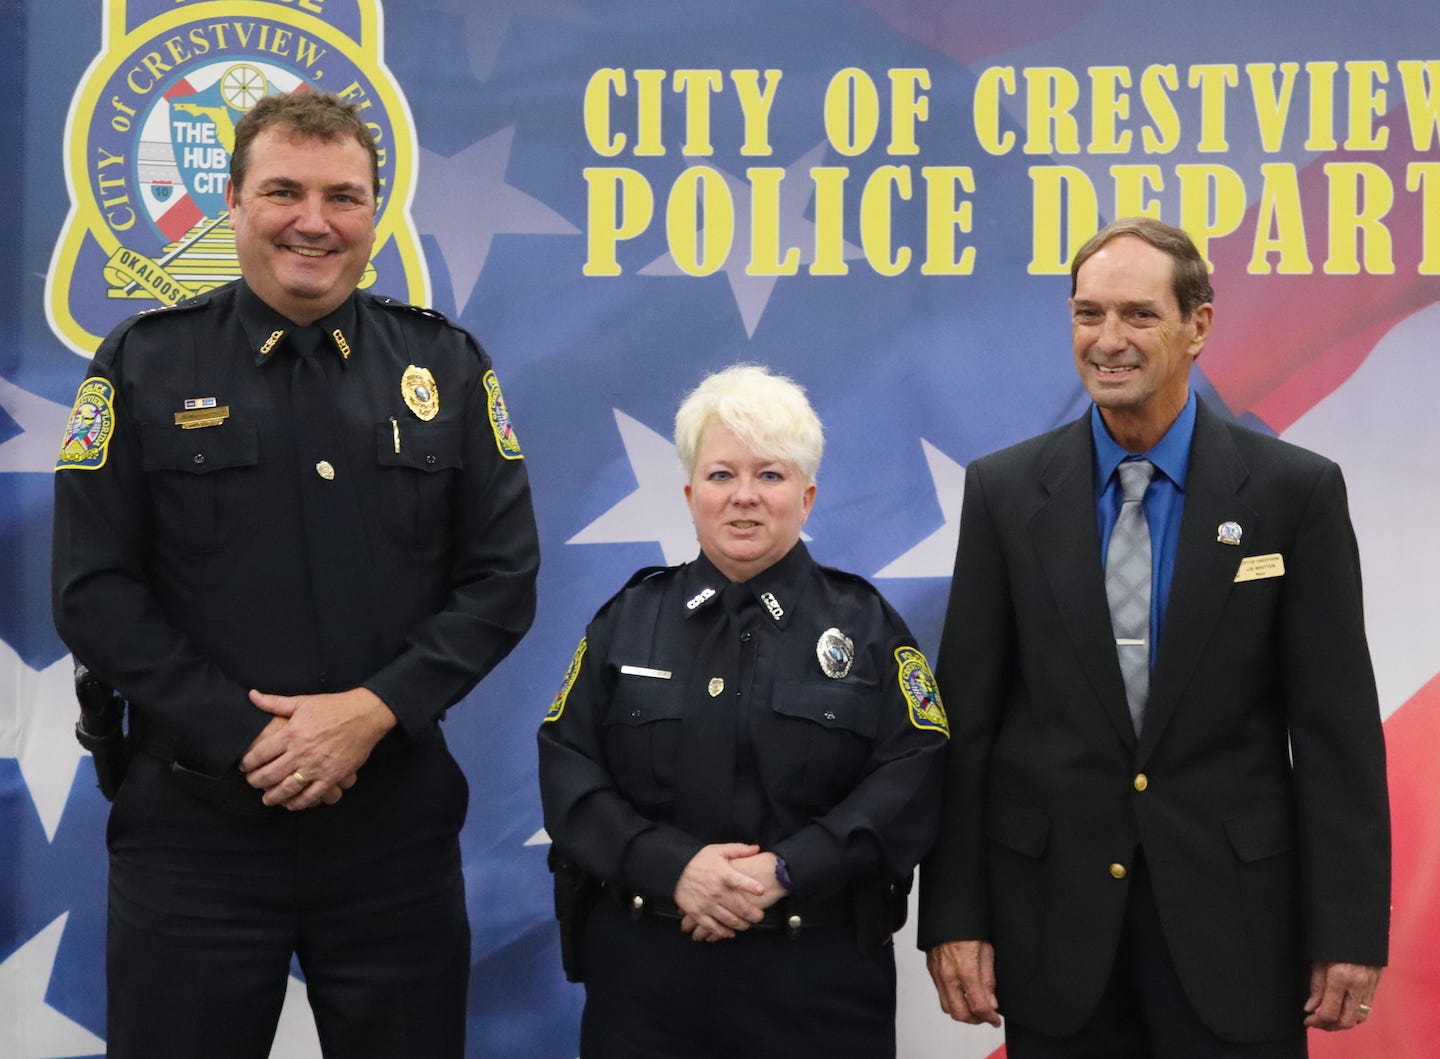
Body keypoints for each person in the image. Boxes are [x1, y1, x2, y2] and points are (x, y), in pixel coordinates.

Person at [51, 91, 540, 1059]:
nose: (313, 221)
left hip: (391, 835)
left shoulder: (443, 366)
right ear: (233, 201)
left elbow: (502, 577)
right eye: (284, 192)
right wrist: (252, 736)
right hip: (194, 834)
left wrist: (367, 713)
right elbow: (92, 590)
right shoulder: (143, 363)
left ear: (373, 215)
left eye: (342, 197)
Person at [918, 217, 1390, 1056]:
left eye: (1138, 314)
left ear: (1197, 325)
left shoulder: (1294, 493)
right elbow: (969, 728)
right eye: (1088, 314)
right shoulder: (1004, 493)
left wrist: (1349, 926)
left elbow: (1335, 731)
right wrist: (954, 915)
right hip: (1055, 939)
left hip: (1237, 938)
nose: (1109, 340)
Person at [538, 364, 948, 1057]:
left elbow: (915, 777)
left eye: (770, 474)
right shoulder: (626, 620)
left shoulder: (867, 627)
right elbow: (567, 770)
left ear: (807, 497)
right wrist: (672, 867)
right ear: (690, 493)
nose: (744, 497)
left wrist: (787, 869)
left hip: (818, 991)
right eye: (722, 474)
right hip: (645, 988)